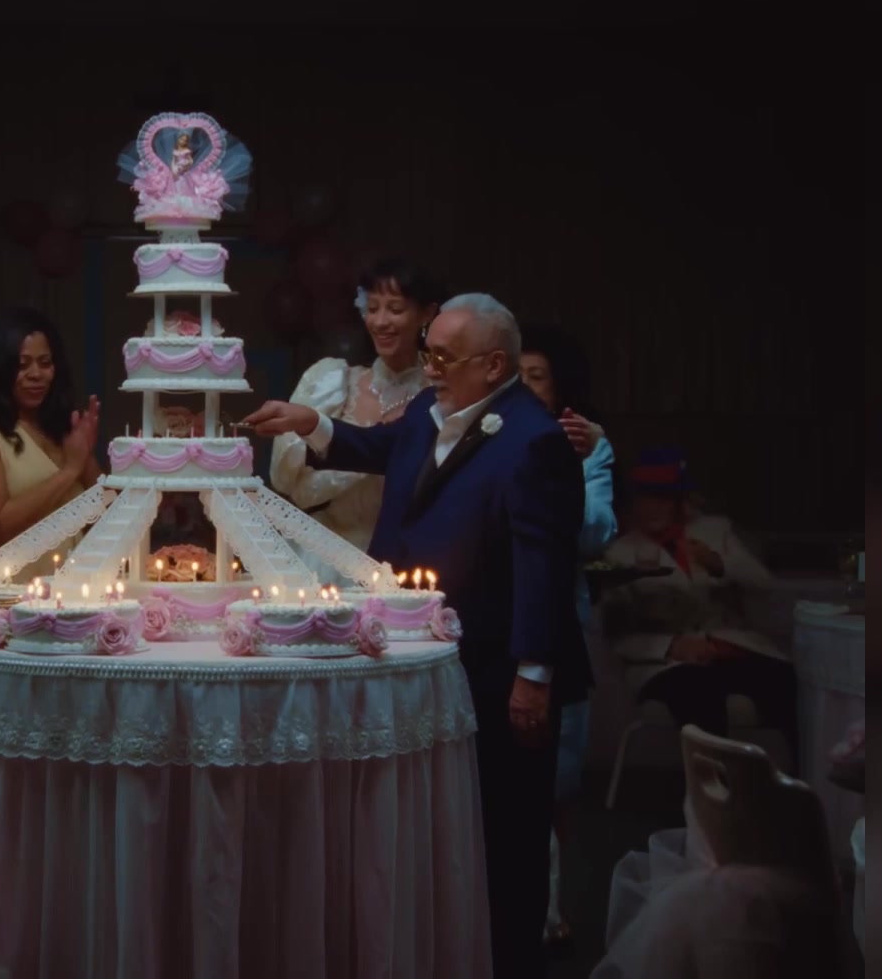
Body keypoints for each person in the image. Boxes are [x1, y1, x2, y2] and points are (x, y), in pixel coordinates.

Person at [246, 292, 587, 979]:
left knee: (508, 835)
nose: (428, 367)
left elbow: (543, 566)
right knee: (447, 829)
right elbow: (379, 447)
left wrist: (534, 674)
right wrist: (312, 421)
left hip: (498, 667)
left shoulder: (534, 439)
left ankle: (511, 962)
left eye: (443, 357)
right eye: (428, 352)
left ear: (494, 366)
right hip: (428, 655)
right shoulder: (432, 410)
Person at [516, 324, 619, 948]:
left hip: (559, 625)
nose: (526, 388)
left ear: (560, 392)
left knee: (557, 781)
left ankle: (549, 911)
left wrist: (572, 466)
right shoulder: (489, 436)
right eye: (517, 376)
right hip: (491, 621)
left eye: (538, 377)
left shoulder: (588, 447)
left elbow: (596, 532)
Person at [601, 448, 796, 762]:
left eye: (662, 498)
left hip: (727, 647)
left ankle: (798, 783)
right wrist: (671, 646)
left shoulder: (715, 531)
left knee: (785, 681)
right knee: (699, 690)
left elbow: (763, 585)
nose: (652, 508)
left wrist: (719, 564)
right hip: (664, 662)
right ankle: (715, 787)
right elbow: (612, 630)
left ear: (680, 502)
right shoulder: (618, 553)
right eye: (644, 499)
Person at [270, 260, 449, 565]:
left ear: (426, 314)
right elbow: (291, 486)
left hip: (408, 563)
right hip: (325, 559)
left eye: (395, 309)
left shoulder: (445, 395)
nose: (380, 322)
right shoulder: (330, 382)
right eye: (372, 308)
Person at [0, 306, 101, 583]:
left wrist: (88, 455)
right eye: (22, 365)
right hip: (10, 596)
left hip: (73, 596)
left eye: (45, 363)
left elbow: (108, 517)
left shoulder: (63, 429)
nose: (36, 374)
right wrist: (69, 471)